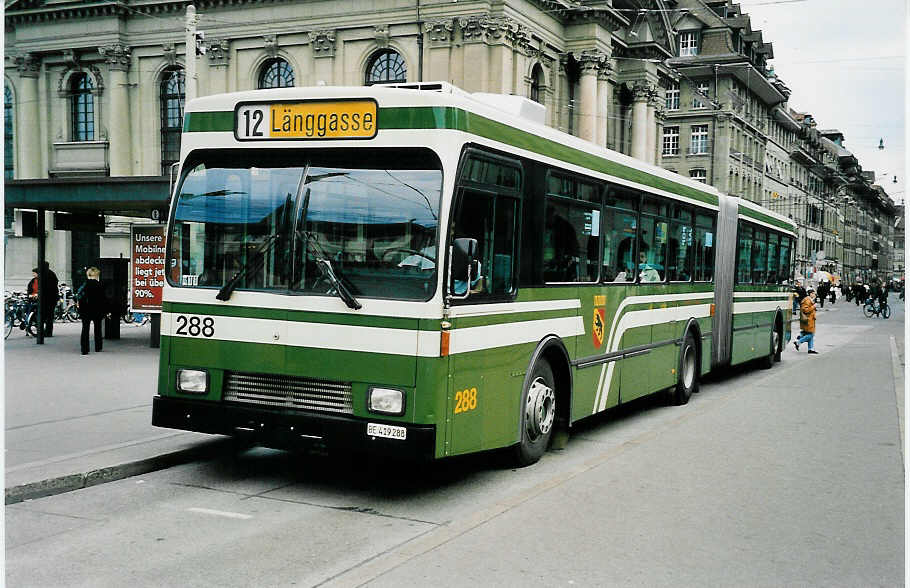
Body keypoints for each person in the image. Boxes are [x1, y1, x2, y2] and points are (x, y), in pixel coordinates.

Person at [77, 266, 107, 355]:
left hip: (85, 309)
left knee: (85, 329)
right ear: (97, 275)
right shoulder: (100, 285)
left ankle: (84, 349)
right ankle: (98, 346)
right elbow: (104, 299)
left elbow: (78, 296)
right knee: (98, 328)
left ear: (88, 275)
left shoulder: (84, 285)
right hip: (97, 309)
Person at [793, 289, 818, 355]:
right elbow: (806, 310)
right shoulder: (807, 300)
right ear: (810, 294)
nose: (815, 295)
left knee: (807, 333)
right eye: (813, 293)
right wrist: (813, 306)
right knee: (810, 334)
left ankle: (810, 349)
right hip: (808, 320)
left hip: (809, 319)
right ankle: (799, 342)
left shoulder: (809, 299)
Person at [39, 261, 59, 337]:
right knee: (49, 316)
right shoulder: (51, 273)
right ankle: (48, 331)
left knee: (44, 316)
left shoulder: (44, 274)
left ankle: (44, 332)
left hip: (46, 298)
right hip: (52, 298)